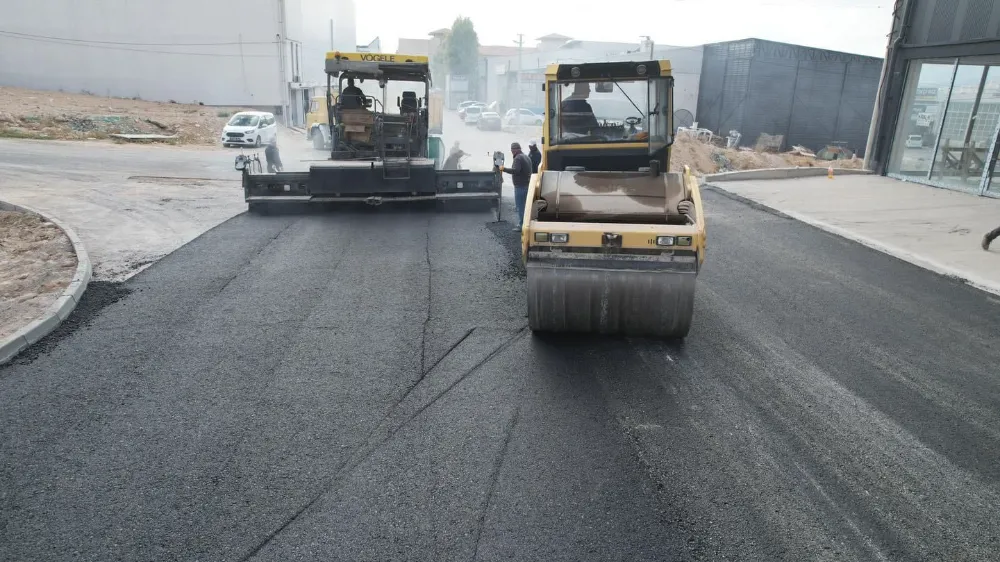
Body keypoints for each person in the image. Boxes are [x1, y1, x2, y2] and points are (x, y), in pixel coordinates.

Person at [500, 142, 533, 231]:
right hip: (527, 185)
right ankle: (528, 224)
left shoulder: (518, 158)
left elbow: (516, 170)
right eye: (511, 149)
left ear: (517, 149)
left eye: (513, 149)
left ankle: (522, 225)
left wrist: (503, 169)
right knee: (526, 206)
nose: (512, 151)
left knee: (520, 206)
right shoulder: (526, 157)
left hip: (520, 186)